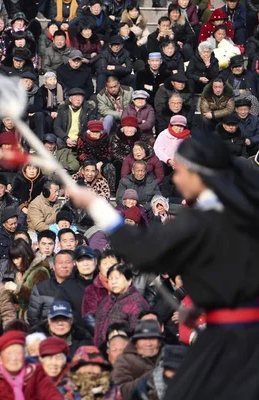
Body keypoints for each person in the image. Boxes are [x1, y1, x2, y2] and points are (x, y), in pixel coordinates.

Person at [67, 124, 259, 400]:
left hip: (232, 341)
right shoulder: (243, 210)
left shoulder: (203, 219)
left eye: (180, 172)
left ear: (198, 174)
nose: (176, 180)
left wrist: (96, 206)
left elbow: (143, 251)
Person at [0, 331, 63, 400]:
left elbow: (51, 394)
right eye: (9, 353)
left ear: (24, 355)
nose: (14, 358)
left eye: (18, 353)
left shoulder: (35, 371)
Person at [93, 264, 150, 347]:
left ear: (129, 280)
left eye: (117, 278)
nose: (113, 282)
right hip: (102, 352)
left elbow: (137, 335)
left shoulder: (137, 303)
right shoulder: (106, 300)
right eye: (110, 278)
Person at [110, 319, 162, 399]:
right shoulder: (124, 360)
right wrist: (153, 375)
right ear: (136, 342)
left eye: (152, 338)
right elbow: (121, 391)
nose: (148, 344)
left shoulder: (168, 356)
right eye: (143, 339)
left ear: (159, 342)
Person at [4, 239, 51, 320]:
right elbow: (20, 300)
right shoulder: (20, 272)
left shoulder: (40, 271)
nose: (15, 262)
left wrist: (17, 288)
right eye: (13, 258)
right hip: (23, 318)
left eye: (18, 258)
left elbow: (40, 297)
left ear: (27, 255)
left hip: (36, 318)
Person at [28, 250, 77, 327]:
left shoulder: (80, 287)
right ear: (54, 267)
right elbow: (32, 318)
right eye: (60, 263)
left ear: (73, 265)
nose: (64, 266)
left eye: (67, 262)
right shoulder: (41, 288)